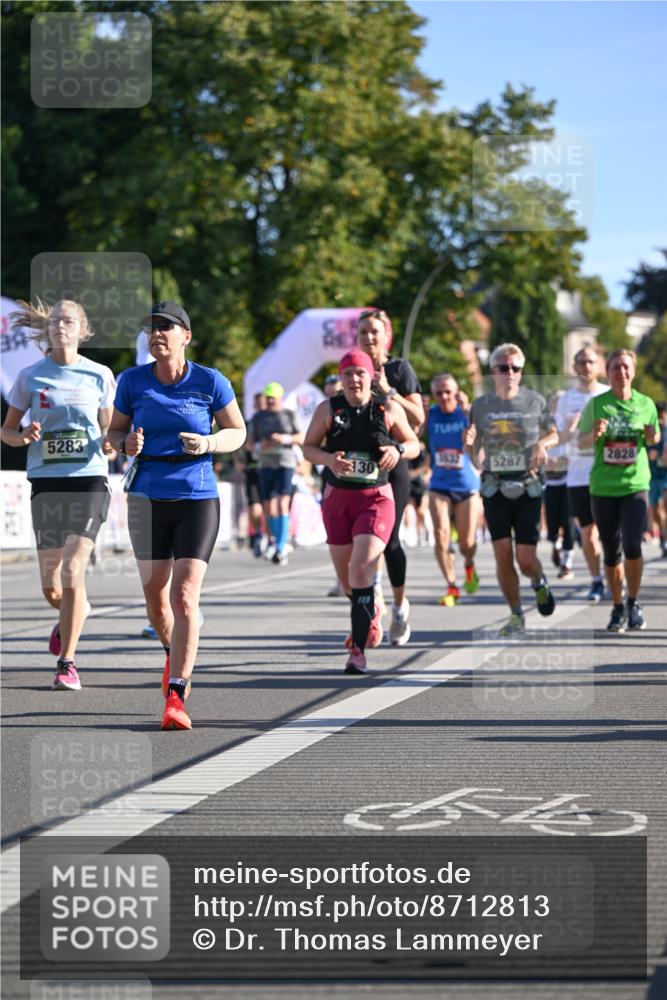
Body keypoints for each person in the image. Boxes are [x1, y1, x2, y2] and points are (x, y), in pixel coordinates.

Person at [106, 301, 246, 729]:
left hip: (197, 496)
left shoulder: (210, 381)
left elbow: (237, 431)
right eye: (151, 328)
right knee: (155, 601)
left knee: (184, 595)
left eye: (166, 327)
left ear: (186, 336)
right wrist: (125, 444)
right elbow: (113, 433)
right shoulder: (132, 382)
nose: (157, 334)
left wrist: (208, 444)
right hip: (147, 499)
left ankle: (176, 694)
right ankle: (173, 653)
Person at [1, 299, 116, 691]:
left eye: (67, 320)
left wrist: (111, 444)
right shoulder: (30, 377)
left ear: (83, 329)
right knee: (53, 586)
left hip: (88, 481)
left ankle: (67, 663)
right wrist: (22, 436)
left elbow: (108, 431)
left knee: (72, 571)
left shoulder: (99, 375)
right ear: (47, 331)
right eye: (54, 322)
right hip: (46, 483)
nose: (59, 326)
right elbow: (7, 430)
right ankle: (74, 610)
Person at [303, 350, 419, 674]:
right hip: (338, 500)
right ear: (341, 379)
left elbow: (414, 444)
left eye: (360, 373)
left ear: (371, 377)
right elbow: (308, 448)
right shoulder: (329, 409)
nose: (354, 379)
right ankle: (371, 608)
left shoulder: (388, 408)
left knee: (361, 570)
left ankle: (357, 652)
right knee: (348, 583)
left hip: (375, 498)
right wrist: (328, 460)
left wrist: (397, 450)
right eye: (348, 373)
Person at [464, 343, 559, 636]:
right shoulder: (480, 406)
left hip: (528, 485)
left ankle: (538, 580)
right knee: (503, 554)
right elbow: (475, 451)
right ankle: (517, 615)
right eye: (504, 368)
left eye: (515, 368)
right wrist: (469, 445)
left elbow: (554, 433)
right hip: (494, 487)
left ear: (521, 371)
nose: (510, 373)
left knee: (526, 559)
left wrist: (543, 444)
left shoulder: (535, 401)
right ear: (493, 371)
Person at [577, 349, 660, 632]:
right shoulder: (597, 405)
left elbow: (655, 435)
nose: (621, 372)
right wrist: (594, 434)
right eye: (615, 367)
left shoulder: (645, 403)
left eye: (625, 367)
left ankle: (633, 603)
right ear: (607, 371)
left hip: (635, 484)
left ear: (633, 371)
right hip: (603, 487)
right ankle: (616, 606)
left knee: (633, 545)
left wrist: (652, 435)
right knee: (611, 552)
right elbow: (581, 443)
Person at [356, 308, 424, 645]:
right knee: (362, 541)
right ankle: (376, 598)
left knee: (390, 540)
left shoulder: (399, 369)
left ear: (386, 336)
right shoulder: (352, 365)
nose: (369, 338)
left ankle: (399, 606)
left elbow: (419, 419)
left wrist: (388, 391)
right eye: (363, 332)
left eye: (374, 332)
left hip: (393, 460)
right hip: (358, 465)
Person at [555, 347, 608, 601]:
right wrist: (570, 426)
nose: (586, 366)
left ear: (598, 365)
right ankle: (597, 580)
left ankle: (614, 573)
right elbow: (560, 437)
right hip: (577, 476)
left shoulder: (608, 394)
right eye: (581, 362)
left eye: (590, 361)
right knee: (588, 533)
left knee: (610, 532)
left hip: (608, 475)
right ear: (575, 367)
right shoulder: (566, 399)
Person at [427, 373, 481, 605]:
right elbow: (411, 429)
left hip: (466, 485)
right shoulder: (430, 414)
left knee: (466, 544)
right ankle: (451, 586)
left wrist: (469, 412)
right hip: (439, 484)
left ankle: (469, 565)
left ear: (457, 391)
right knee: (440, 536)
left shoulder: (466, 414)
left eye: (448, 391)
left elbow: (480, 445)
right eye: (439, 393)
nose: (444, 396)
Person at [247, 382, 303, 566]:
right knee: (269, 507)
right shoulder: (258, 417)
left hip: (285, 462)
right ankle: (274, 541)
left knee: (282, 502)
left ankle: (281, 545)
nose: (270, 402)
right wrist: (258, 446)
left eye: (273, 399)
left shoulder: (289, 415)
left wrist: (283, 439)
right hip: (265, 464)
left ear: (280, 399)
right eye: (268, 398)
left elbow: (301, 437)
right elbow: (248, 443)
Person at [543, 391, 575, 580]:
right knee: (552, 522)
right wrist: (547, 460)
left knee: (568, 520)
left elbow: (580, 447)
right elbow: (537, 447)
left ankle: (567, 563)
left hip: (570, 480)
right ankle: (555, 545)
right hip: (551, 480)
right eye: (556, 402)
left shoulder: (572, 424)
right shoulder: (545, 425)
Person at [647, 402, 667, 556]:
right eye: (658, 417)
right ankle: (662, 538)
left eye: (662, 417)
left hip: (666, 477)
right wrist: (651, 455)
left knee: (664, 507)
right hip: (652, 477)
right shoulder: (650, 431)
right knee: (656, 513)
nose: (660, 421)